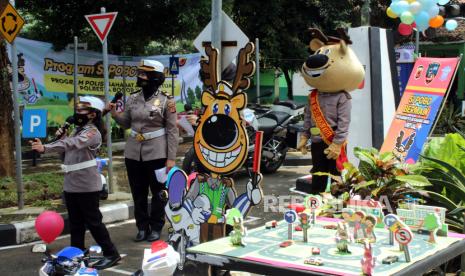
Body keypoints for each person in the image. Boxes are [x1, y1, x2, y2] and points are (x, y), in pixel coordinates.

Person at [31, 96, 120, 270]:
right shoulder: (76, 131)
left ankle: (111, 253)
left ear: (93, 114)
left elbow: (73, 144)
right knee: (76, 222)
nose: (77, 113)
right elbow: (65, 154)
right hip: (71, 183)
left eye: (82, 111)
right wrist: (60, 137)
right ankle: (77, 253)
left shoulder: (92, 132)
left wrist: (46, 148)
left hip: (87, 184)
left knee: (94, 222)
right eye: (77, 110)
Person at [107, 59, 179, 242]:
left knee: (158, 193)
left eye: (145, 74)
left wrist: (171, 158)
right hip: (133, 153)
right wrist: (115, 114)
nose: (140, 77)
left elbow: (172, 130)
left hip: (157, 153)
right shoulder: (133, 98)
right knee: (138, 193)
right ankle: (141, 227)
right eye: (139, 73)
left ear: (155, 77)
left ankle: (156, 227)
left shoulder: (166, 100)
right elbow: (126, 122)